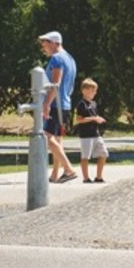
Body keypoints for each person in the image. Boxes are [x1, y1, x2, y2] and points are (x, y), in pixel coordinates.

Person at [38, 31, 79, 183]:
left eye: (46, 44)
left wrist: (47, 103)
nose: (44, 48)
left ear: (55, 43)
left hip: (56, 105)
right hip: (65, 104)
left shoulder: (57, 59)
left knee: (46, 137)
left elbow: (56, 83)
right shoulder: (70, 58)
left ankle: (69, 169)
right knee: (57, 140)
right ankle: (55, 174)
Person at [74, 77, 109, 183]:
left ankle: (99, 177)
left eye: (95, 90)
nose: (95, 92)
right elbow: (78, 120)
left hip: (96, 133)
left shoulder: (93, 103)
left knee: (103, 153)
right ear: (84, 90)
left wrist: (98, 118)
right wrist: (94, 118)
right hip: (86, 135)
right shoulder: (81, 104)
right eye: (92, 90)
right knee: (85, 156)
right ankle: (86, 178)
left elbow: (94, 115)